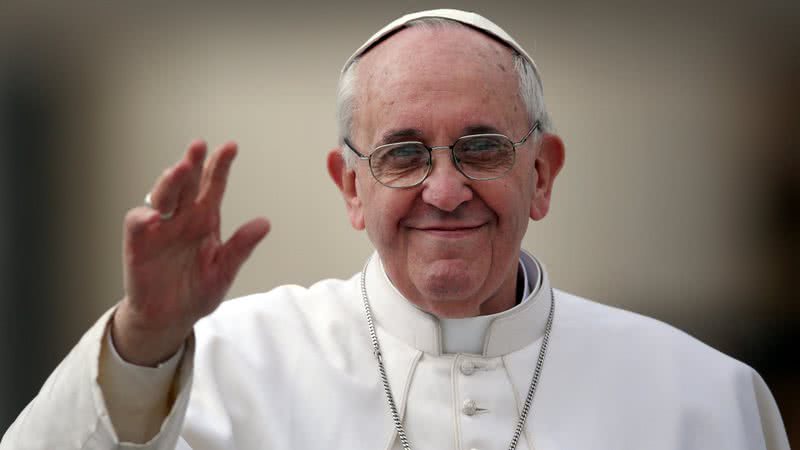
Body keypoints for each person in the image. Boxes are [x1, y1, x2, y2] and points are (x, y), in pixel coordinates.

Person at [1, 9, 790, 450]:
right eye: (403, 154)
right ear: (351, 187)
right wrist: (142, 339)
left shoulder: (702, 398)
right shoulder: (228, 365)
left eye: (481, 146)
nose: (444, 190)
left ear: (542, 173)